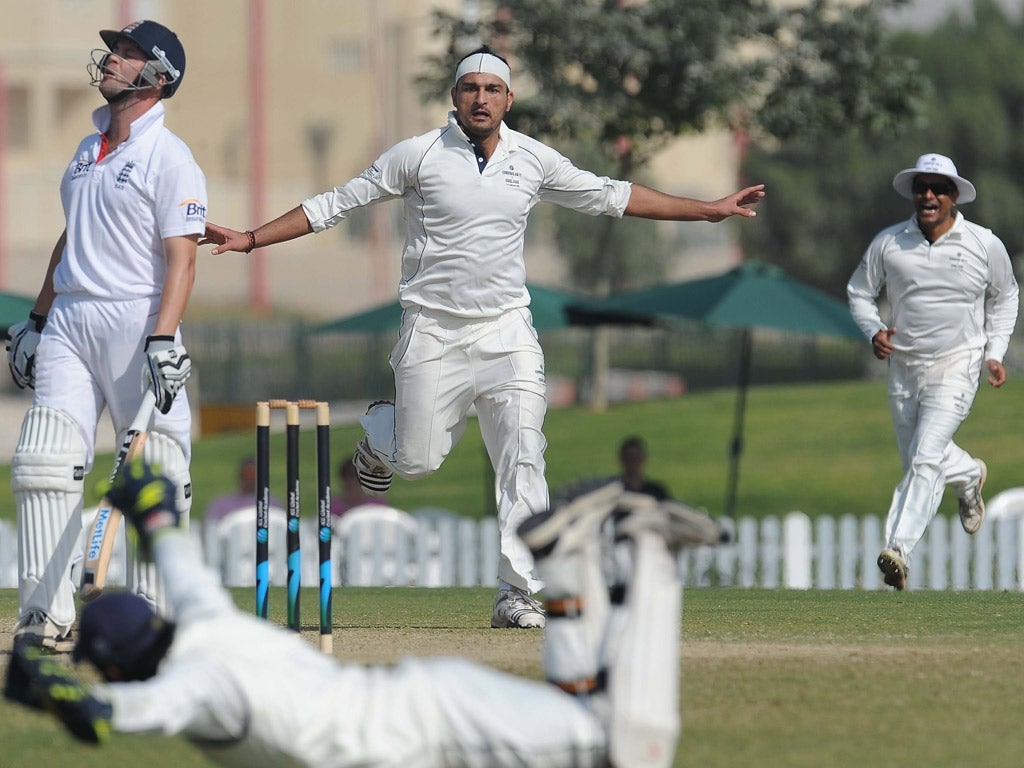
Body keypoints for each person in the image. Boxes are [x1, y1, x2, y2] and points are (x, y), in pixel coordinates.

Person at [201, 46, 764, 628]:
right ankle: (379, 431)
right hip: (431, 330)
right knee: (417, 462)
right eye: (470, 87)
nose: (481, 97)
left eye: (492, 89)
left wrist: (708, 211)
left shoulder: (532, 159)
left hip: (507, 332)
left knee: (524, 457)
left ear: (508, 99)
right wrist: (250, 238)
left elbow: (611, 194)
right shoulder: (417, 155)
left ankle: (517, 593)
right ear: (454, 96)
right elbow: (336, 204)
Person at [4, 457, 723, 768]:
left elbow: (114, 715)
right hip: (426, 707)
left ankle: (624, 558)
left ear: (122, 666)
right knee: (586, 713)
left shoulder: (193, 692)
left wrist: (55, 690)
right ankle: (569, 570)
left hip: (427, 730)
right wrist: (149, 506)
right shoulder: (204, 621)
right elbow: (173, 546)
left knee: (629, 745)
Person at [3, 19, 204, 649]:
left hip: (137, 319)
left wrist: (164, 340)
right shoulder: (86, 151)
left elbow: (183, 258)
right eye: (115, 50)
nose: (113, 59)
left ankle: (154, 610)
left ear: (158, 77)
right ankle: (44, 611)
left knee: (158, 467)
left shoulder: (170, 158)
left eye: (128, 54)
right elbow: (71, 240)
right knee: (41, 461)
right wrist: (37, 319)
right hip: (70, 318)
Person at [847, 153, 1019, 590]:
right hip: (904, 369)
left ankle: (898, 550)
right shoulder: (889, 243)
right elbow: (859, 293)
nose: (929, 195)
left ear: (954, 196)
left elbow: (1006, 297)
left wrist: (995, 352)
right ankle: (969, 475)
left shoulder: (983, 243)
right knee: (922, 462)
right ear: (913, 192)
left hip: (958, 364)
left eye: (939, 188)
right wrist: (873, 332)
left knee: (925, 458)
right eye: (922, 187)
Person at [202, 455, 284, 543]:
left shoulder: (273, 503)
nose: (250, 479)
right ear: (239, 476)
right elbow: (208, 532)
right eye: (247, 474)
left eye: (254, 474)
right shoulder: (221, 504)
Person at [617, 436, 671, 501]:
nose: (633, 461)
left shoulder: (656, 491)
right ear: (621, 460)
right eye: (629, 457)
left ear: (643, 460)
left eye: (637, 457)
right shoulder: (614, 491)